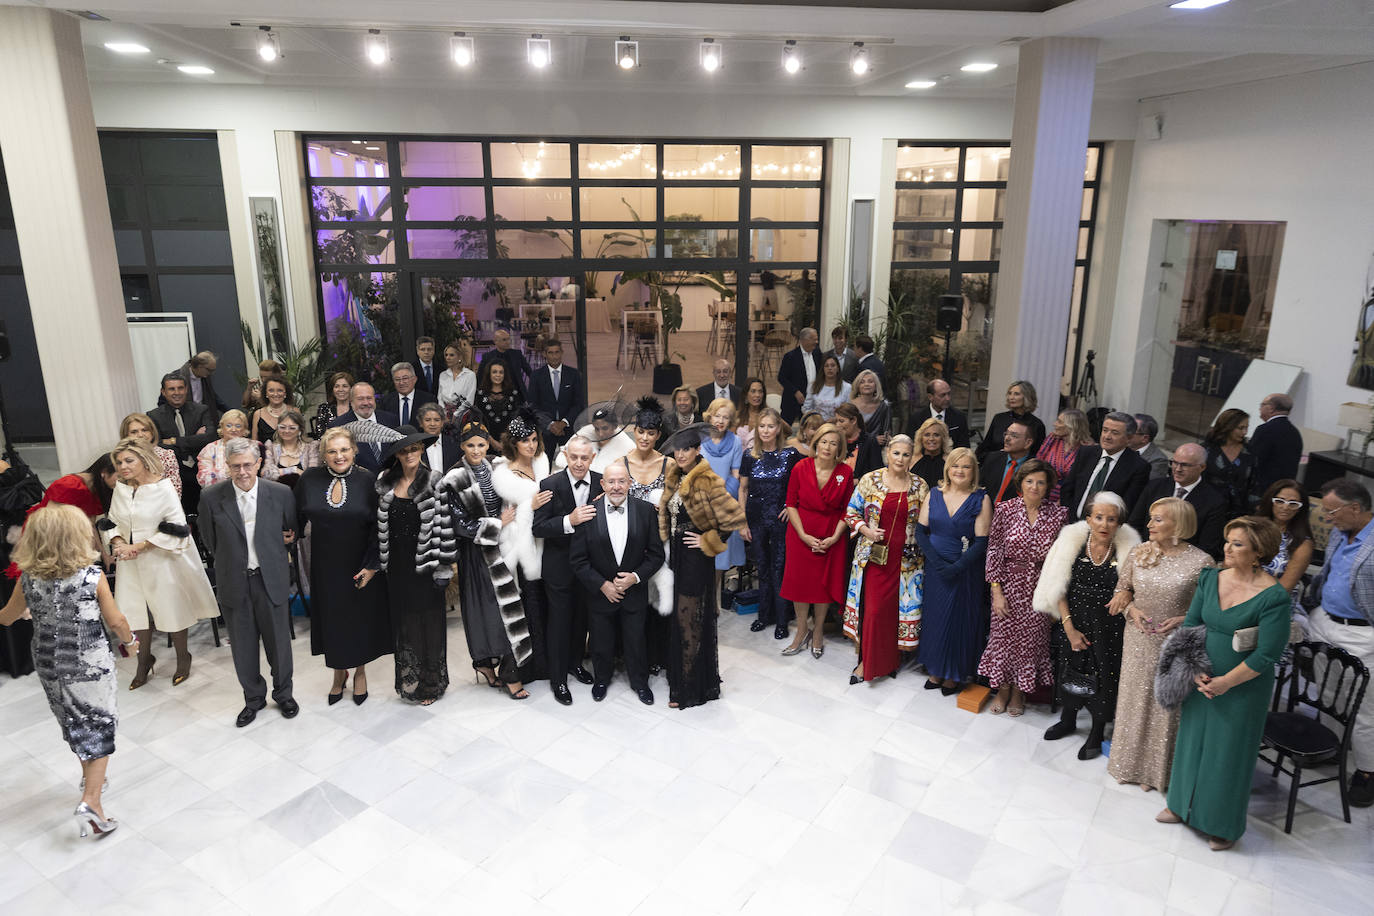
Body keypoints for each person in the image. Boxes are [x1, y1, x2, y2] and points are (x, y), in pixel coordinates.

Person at [0, 504, 136, 839]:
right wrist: (131, 642)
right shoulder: (91, 576)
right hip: (88, 664)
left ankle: (92, 778)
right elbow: (116, 620)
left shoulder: (28, 579)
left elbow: (6, 617)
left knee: (75, 722)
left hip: (49, 664)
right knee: (100, 725)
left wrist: (29, 612)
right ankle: (92, 802)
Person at [1158, 517, 1291, 850]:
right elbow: (1190, 625)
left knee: (1228, 754)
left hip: (1243, 687)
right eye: (1227, 541)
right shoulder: (1211, 578)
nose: (1227, 549)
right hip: (1201, 677)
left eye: (1237, 544)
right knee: (1191, 743)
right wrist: (1193, 670)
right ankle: (1179, 806)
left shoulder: (1274, 597)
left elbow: (1267, 654)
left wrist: (1227, 682)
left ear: (1258, 552)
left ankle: (1221, 825)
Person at [1106, 497, 1214, 791]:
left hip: (1175, 643)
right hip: (1138, 637)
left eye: (1158, 520)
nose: (1150, 524)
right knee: (1133, 699)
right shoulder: (1140, 551)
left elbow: (1208, 611)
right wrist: (1131, 610)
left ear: (1178, 525)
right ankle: (1127, 765)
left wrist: (1181, 619)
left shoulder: (1201, 562)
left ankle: (1157, 774)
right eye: (1151, 518)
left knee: (1165, 705)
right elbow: (1122, 589)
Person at [198, 438, 298, 726]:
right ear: (227, 467)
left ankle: (284, 695)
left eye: (247, 465)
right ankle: (253, 699)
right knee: (243, 647)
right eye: (235, 466)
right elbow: (209, 540)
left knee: (279, 644)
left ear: (258, 464)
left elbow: (289, 531)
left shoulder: (280, 493)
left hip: (271, 579)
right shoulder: (211, 497)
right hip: (234, 580)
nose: (242, 471)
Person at [103, 439, 218, 691]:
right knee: (134, 612)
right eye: (119, 462)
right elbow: (111, 522)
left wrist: (139, 546)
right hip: (130, 562)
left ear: (144, 460)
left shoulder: (163, 487)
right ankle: (144, 661)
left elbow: (177, 528)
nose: (123, 467)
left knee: (170, 609)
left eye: (128, 461)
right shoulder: (121, 489)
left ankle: (182, 657)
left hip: (162, 558)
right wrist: (119, 542)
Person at [1033, 492, 1140, 758]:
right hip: (1075, 619)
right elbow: (1057, 585)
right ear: (1089, 519)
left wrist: (1125, 592)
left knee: (1105, 676)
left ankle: (1097, 730)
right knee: (1070, 669)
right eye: (1099, 517)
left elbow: (1136, 590)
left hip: (1110, 628)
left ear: (1119, 523)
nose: (1104, 524)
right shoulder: (1072, 542)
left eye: (1111, 519)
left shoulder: (1130, 549)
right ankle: (1068, 719)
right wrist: (1069, 628)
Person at [294, 427, 390, 707]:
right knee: (333, 620)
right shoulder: (310, 479)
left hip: (360, 563)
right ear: (324, 454)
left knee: (359, 620)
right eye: (332, 451)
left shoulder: (367, 480)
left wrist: (373, 566)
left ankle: (360, 672)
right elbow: (295, 514)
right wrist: (289, 531)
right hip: (325, 563)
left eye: (344, 449)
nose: (339, 456)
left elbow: (379, 528)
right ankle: (339, 674)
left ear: (354, 450)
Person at [438, 420, 532, 699]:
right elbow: (459, 524)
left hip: (504, 547)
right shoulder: (453, 478)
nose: (477, 450)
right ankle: (493, 667)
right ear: (462, 446)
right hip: (477, 551)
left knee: (509, 608)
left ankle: (497, 667)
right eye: (470, 445)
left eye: (481, 444)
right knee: (487, 611)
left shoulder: (499, 466)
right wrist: (496, 523)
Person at [659, 424, 747, 708]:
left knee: (690, 618)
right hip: (675, 557)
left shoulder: (707, 478)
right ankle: (684, 675)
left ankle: (689, 687)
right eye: (678, 449)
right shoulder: (674, 475)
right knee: (678, 618)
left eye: (687, 449)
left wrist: (708, 540)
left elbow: (732, 519)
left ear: (698, 451)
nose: (681, 454)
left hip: (696, 559)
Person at [977, 459, 1068, 714]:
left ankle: (1019, 693)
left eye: (1041, 482)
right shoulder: (1005, 510)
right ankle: (1003, 690)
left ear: (1048, 485)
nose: (1035, 487)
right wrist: (996, 591)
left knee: (1030, 644)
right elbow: (994, 550)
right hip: (1008, 584)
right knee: (1003, 641)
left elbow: (1061, 559)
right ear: (1021, 483)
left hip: (1040, 589)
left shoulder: (1060, 514)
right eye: (1030, 481)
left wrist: (1054, 601)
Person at [570, 461, 665, 705]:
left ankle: (640, 683)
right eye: (611, 481)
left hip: (634, 592)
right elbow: (578, 560)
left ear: (630, 483)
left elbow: (656, 555)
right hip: (600, 593)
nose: (616, 487)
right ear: (602, 484)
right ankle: (601, 680)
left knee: (636, 640)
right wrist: (603, 585)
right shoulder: (588, 512)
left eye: (621, 481)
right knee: (601, 640)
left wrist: (635, 577)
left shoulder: (645, 511)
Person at [1303, 478, 1374, 808]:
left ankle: (1367, 772)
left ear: (1356, 509)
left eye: (1332, 511)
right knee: (1327, 692)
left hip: (1362, 633)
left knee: (1363, 708)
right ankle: (1329, 746)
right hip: (1325, 621)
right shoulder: (1337, 532)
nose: (1327, 517)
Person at [843, 435, 926, 682]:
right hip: (875, 558)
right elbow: (850, 512)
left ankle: (890, 662)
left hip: (908, 563)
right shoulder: (870, 480)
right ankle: (866, 664)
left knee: (895, 613)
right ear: (888, 454)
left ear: (912, 457)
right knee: (875, 611)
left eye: (906, 454)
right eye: (896, 453)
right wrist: (865, 530)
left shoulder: (920, 485)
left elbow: (927, 521)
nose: (900, 459)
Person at [377, 425, 450, 704]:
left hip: (427, 566)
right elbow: (379, 528)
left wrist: (444, 568)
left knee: (429, 623)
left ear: (422, 450)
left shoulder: (435, 480)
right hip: (396, 566)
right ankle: (412, 678)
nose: (410, 454)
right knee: (405, 625)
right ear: (396, 454)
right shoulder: (384, 481)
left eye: (414, 448)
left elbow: (445, 528)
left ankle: (431, 682)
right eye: (404, 449)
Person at [913, 448, 992, 694]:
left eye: (966, 467)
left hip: (964, 569)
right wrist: (937, 563)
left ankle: (953, 674)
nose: (960, 471)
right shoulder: (934, 494)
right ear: (948, 469)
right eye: (956, 465)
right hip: (936, 568)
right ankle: (935, 670)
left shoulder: (981, 498)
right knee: (936, 618)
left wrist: (956, 567)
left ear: (973, 471)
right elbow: (920, 532)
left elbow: (981, 542)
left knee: (958, 620)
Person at [533, 436, 601, 705]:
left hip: (591, 568)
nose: (579, 463)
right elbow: (539, 527)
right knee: (559, 624)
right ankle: (558, 678)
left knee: (581, 621)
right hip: (559, 567)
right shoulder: (550, 484)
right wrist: (568, 521)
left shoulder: (600, 481)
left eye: (584, 458)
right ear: (565, 455)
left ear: (592, 458)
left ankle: (575, 664)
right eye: (574, 457)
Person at [780, 423, 856, 658]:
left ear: (839, 448)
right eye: (824, 441)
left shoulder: (846, 472)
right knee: (800, 585)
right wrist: (803, 535)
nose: (827, 446)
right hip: (800, 534)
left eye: (833, 443)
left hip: (831, 537)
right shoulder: (801, 467)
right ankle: (802, 630)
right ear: (816, 443)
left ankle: (818, 632)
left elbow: (848, 509)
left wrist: (834, 537)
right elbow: (791, 503)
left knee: (823, 587)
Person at [492, 412, 552, 689]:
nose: (531, 445)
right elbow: (514, 513)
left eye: (534, 439)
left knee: (541, 605)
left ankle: (543, 664)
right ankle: (517, 671)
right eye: (525, 441)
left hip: (542, 544)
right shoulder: (503, 474)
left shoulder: (542, 463)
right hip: (518, 546)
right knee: (521, 608)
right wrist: (533, 505)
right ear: (513, 443)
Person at [622, 397, 673, 673]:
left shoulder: (669, 464)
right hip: (629, 544)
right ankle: (633, 659)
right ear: (634, 431)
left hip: (661, 543)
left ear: (658, 435)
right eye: (640, 431)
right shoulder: (622, 463)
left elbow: (683, 503)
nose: (644, 437)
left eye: (650, 433)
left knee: (658, 600)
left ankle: (658, 656)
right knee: (634, 603)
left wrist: (665, 506)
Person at [739, 408, 798, 638]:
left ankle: (782, 620)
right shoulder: (749, 455)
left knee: (779, 569)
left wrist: (789, 506)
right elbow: (743, 489)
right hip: (755, 518)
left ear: (778, 429)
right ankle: (763, 616)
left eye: (770, 426)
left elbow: (799, 485)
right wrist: (742, 522)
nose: (765, 430)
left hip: (781, 520)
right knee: (762, 567)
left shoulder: (790, 454)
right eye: (761, 426)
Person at [1128, 443, 1227, 558]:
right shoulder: (1155, 487)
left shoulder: (1214, 501)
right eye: (1174, 463)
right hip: (1145, 556)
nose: (1177, 469)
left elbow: (1207, 546)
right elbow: (1134, 524)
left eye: (1185, 465)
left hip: (1183, 565)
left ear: (1202, 467)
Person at [1058, 410, 1151, 522]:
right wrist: (1072, 520)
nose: (1107, 436)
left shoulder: (1138, 467)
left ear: (1129, 438)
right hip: (1073, 524)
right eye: (1105, 430)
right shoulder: (1086, 453)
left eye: (1115, 433)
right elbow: (1068, 489)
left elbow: (1127, 505)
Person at [148, 373, 216, 511]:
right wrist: (195, 439)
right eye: (172, 389)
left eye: (180, 388)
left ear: (186, 390)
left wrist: (173, 441)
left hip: (201, 471)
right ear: (163, 392)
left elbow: (209, 438)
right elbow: (156, 445)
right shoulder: (153, 416)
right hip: (173, 474)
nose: (177, 393)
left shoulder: (201, 410)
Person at [701, 398, 747, 595]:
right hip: (701, 500)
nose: (720, 420)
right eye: (717, 415)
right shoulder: (699, 438)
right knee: (702, 551)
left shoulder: (735, 441)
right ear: (709, 415)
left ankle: (715, 596)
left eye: (726, 418)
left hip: (725, 501)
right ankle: (702, 595)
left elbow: (736, 473)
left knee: (721, 554)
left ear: (731, 421)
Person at [1255, 478, 1315, 601]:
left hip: (1272, 604)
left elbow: (1284, 588)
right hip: (1235, 594)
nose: (1285, 507)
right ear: (1270, 501)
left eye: (1293, 504)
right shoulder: (1251, 528)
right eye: (1279, 501)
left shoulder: (1303, 544)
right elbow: (1228, 566)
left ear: (1300, 509)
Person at [528, 339, 584, 460]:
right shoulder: (536, 376)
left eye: (557, 352)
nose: (554, 356)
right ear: (544, 354)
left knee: (572, 463)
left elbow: (579, 403)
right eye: (550, 353)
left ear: (562, 353)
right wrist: (550, 424)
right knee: (543, 464)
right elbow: (533, 406)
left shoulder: (573, 374)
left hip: (568, 429)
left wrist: (563, 423)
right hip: (545, 430)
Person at [328, 382, 401, 474]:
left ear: (374, 399)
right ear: (351, 401)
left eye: (369, 398)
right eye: (360, 399)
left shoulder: (391, 420)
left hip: (391, 480)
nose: (366, 403)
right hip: (358, 483)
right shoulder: (338, 426)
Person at [1202, 408, 1257, 517]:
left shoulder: (1250, 452)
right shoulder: (1206, 449)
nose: (1245, 432)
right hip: (1208, 509)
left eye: (1246, 428)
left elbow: (1254, 483)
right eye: (1241, 428)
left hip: (1239, 512)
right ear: (1228, 427)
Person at [976, 380, 1045, 462]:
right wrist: (997, 455)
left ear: (1027, 397)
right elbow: (982, 450)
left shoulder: (1036, 424)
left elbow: (1038, 456)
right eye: (1009, 393)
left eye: (1016, 394)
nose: (1011, 397)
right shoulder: (999, 418)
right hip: (995, 465)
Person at [1250, 393, 1303, 496]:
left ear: (1271, 408)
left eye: (1262, 405)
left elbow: (1253, 460)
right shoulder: (1294, 432)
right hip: (1285, 489)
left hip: (1263, 490)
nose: (1259, 408)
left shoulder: (1264, 430)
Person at [1036, 408, 1091, 503]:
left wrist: (1063, 500)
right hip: (1043, 494)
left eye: (1059, 422)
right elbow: (1038, 462)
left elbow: (1083, 481)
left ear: (1072, 426)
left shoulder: (1087, 448)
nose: (1055, 424)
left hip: (1069, 498)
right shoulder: (1052, 439)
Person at [119, 412, 181, 497]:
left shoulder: (167, 455)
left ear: (152, 432)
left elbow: (175, 491)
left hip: (164, 505)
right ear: (126, 435)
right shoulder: (120, 458)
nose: (140, 435)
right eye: (134, 432)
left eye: (144, 430)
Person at [979, 419, 1034, 505]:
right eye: (1006, 434)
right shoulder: (992, 458)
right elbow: (979, 487)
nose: (1007, 438)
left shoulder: (1035, 468)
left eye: (1014, 436)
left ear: (1028, 443)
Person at [261, 408, 318, 488]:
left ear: (300, 430)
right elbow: (266, 474)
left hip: (303, 494)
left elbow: (313, 477)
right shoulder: (271, 447)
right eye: (282, 427)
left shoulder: (310, 448)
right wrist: (294, 470)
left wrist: (278, 472)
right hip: (277, 495)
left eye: (292, 428)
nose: (286, 431)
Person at [196, 409, 252, 488]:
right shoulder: (210, 449)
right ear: (222, 428)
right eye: (228, 426)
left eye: (238, 426)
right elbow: (203, 479)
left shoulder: (253, 447)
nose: (233, 429)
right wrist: (226, 472)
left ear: (244, 429)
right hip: (218, 493)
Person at [909, 378, 970, 450]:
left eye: (949, 394)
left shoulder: (959, 417)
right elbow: (912, 446)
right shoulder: (917, 418)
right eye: (943, 395)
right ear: (930, 397)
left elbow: (964, 448)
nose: (947, 398)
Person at [777, 327, 822, 424]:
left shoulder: (817, 353)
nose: (816, 342)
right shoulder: (790, 357)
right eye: (814, 339)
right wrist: (795, 392)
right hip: (792, 401)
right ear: (804, 340)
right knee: (784, 429)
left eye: (816, 339)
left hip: (812, 400)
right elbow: (781, 378)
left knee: (808, 428)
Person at [473, 360, 523, 444]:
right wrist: (491, 440)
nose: (498, 375)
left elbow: (516, 418)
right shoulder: (480, 394)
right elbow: (477, 419)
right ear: (489, 374)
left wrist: (506, 438)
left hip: (509, 441)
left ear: (505, 375)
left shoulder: (513, 393)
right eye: (494, 372)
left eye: (501, 372)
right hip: (484, 441)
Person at [169, 350, 229, 420]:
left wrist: (229, 411)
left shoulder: (205, 377)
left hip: (204, 417)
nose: (211, 373)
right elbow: (164, 401)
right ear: (200, 367)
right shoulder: (176, 377)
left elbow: (213, 397)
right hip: (185, 419)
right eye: (210, 370)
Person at [478, 326, 534, 399]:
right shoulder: (487, 357)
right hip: (495, 394)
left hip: (517, 393)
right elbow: (480, 377)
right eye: (504, 340)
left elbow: (530, 372)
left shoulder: (517, 354)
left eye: (508, 339)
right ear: (495, 341)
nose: (508, 342)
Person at [379, 362, 439, 428]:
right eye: (397, 379)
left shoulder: (428, 400)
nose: (401, 383)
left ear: (414, 379)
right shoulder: (386, 401)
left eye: (405, 378)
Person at [835, 402, 882, 478]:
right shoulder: (836, 440)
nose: (837, 425)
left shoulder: (870, 441)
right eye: (836, 421)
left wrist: (858, 481)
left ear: (853, 420)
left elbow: (876, 472)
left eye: (841, 421)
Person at [802, 354, 851, 421]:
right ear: (823, 369)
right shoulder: (813, 386)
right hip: (817, 425)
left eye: (833, 365)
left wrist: (835, 419)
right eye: (826, 366)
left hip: (837, 426)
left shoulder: (847, 387)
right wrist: (815, 420)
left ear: (838, 369)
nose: (829, 368)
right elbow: (806, 408)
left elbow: (848, 411)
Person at [416, 403, 461, 474]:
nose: (432, 424)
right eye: (428, 420)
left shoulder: (455, 444)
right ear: (421, 423)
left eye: (436, 420)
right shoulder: (415, 447)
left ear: (442, 422)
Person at [438, 342, 477, 421]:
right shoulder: (443, 375)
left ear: (460, 357)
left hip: (463, 416)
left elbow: (469, 400)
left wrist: (456, 415)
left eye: (451, 355)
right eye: (446, 355)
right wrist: (444, 414)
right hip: (444, 417)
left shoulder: (470, 375)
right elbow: (440, 398)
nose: (448, 358)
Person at [850, 369, 891, 446]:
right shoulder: (850, 406)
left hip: (877, 450)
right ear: (858, 386)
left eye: (870, 381)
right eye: (862, 382)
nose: (866, 384)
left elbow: (887, 430)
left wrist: (887, 438)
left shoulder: (884, 406)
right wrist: (872, 440)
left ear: (876, 385)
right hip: (854, 448)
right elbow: (848, 433)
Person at [250, 376, 294, 445]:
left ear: (285, 393)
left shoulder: (294, 411)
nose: (275, 394)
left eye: (280, 390)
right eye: (271, 390)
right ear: (266, 394)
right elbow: (254, 444)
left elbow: (302, 439)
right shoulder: (258, 414)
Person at [912, 417, 952, 491]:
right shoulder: (912, 460)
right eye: (927, 435)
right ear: (921, 438)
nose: (931, 439)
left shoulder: (950, 461)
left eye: (936, 435)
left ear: (943, 438)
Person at [1129, 413, 1171, 480]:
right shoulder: (1120, 447)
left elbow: (1148, 486)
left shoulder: (1158, 460)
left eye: (1130, 431)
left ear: (1144, 438)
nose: (1125, 433)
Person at [315, 371, 355, 439]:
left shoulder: (357, 408)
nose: (340, 390)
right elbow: (320, 436)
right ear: (332, 390)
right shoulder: (324, 408)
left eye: (345, 386)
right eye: (337, 386)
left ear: (351, 389)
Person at [736, 377, 768, 451]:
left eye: (760, 391)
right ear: (746, 395)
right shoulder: (737, 415)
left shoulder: (768, 415)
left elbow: (788, 431)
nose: (757, 395)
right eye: (753, 391)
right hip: (740, 459)